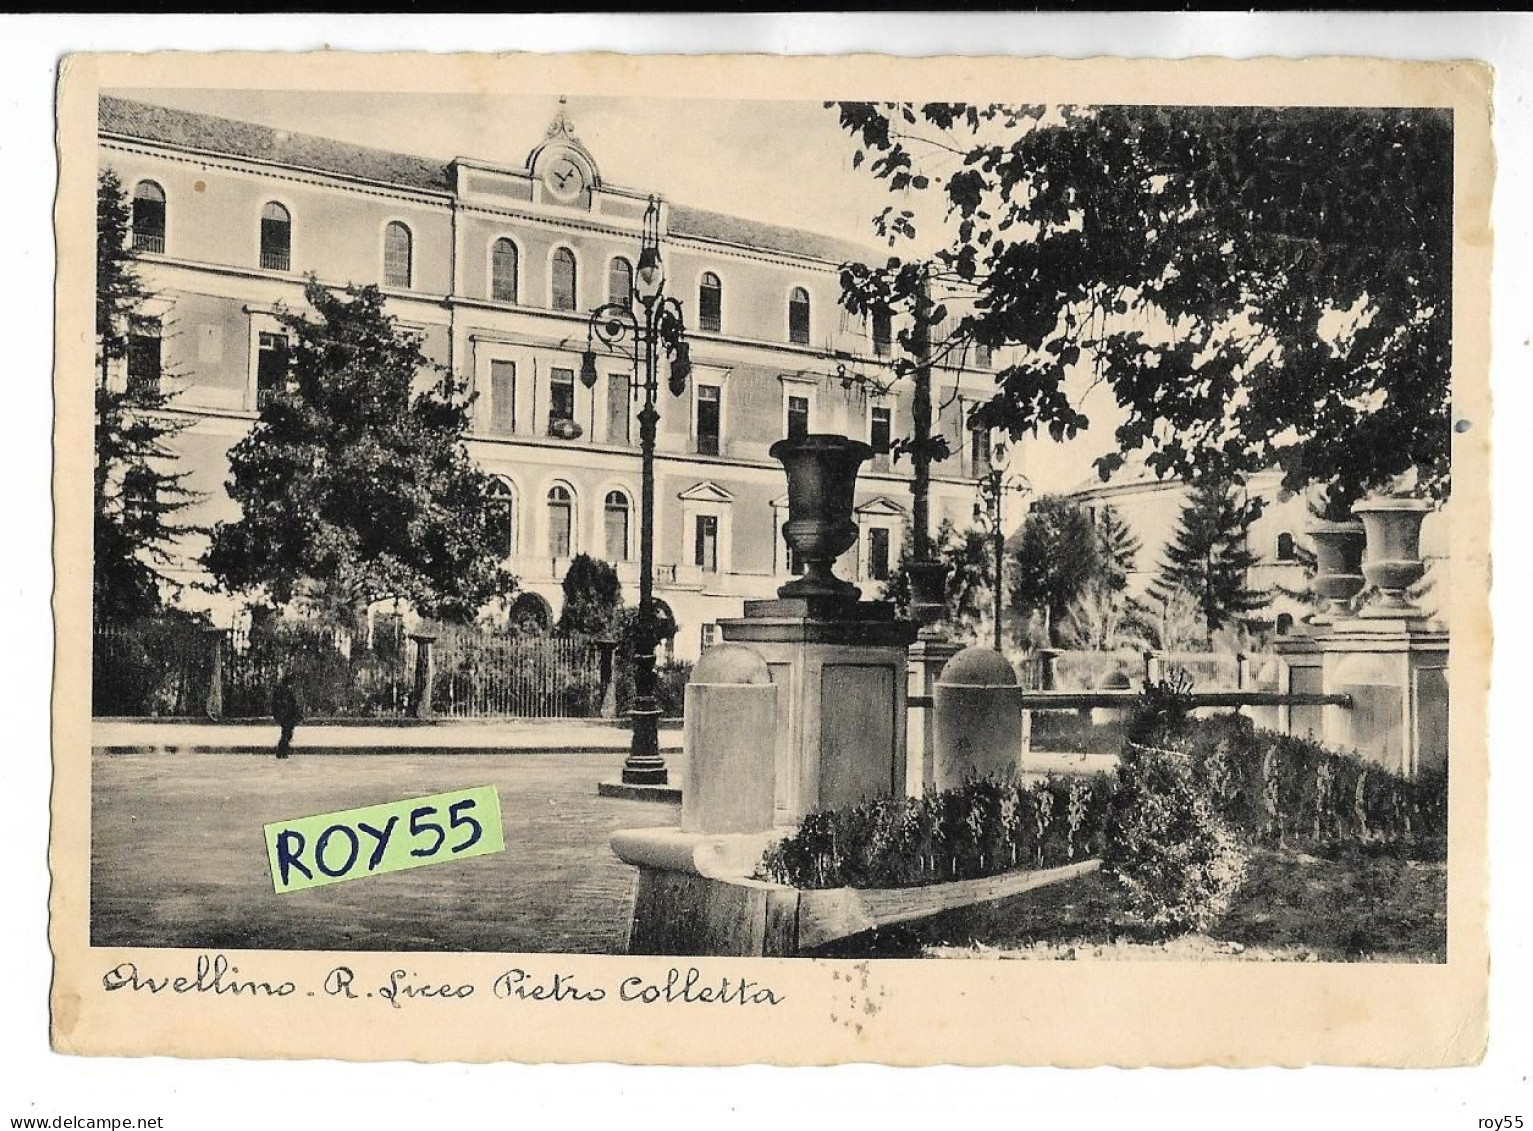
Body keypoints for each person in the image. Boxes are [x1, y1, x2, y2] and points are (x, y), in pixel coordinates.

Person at [272, 672, 305, 759]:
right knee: (287, 733)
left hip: (285, 716)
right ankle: (281, 750)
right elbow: (291, 705)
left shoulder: (280, 691)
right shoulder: (286, 691)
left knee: (286, 733)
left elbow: (276, 704)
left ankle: (283, 750)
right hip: (287, 716)